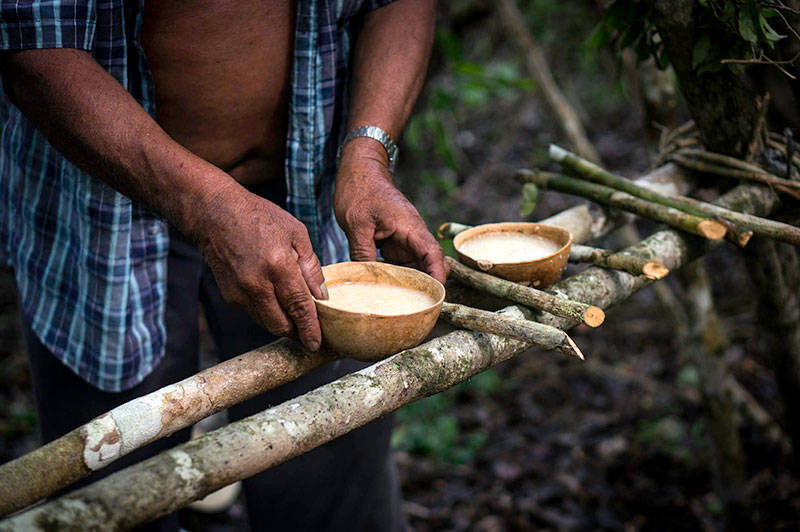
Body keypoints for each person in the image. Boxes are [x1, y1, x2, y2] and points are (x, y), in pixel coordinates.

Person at [0, 1, 446, 530]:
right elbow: (33, 48)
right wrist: (209, 206)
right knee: (111, 485)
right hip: (100, 208)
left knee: (333, 480)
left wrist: (368, 152)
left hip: (310, 186)